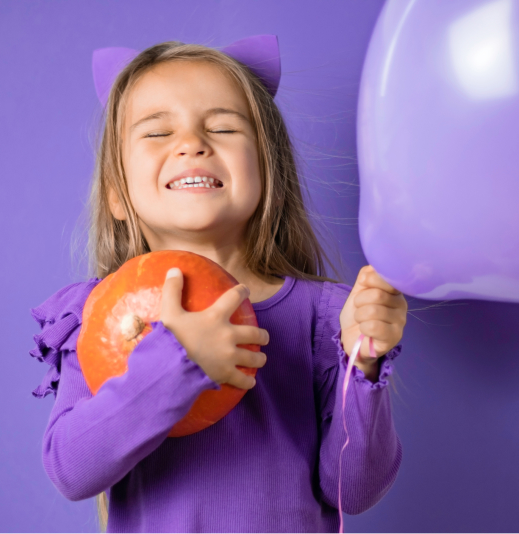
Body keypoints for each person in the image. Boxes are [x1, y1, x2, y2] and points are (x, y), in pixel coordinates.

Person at [29, 37, 408, 533]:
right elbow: (70, 469)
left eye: (223, 126)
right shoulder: (98, 311)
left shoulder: (325, 317)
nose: (192, 143)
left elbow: (353, 490)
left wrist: (367, 361)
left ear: (267, 172)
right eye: (158, 132)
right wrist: (176, 359)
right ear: (117, 194)